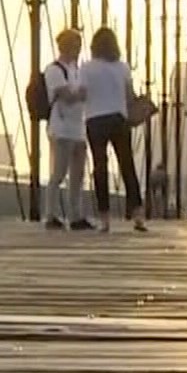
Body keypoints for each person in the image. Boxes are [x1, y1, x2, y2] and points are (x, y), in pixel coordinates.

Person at [81, 26, 146, 233]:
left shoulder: (87, 68)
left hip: (95, 119)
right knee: (127, 165)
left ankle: (104, 218)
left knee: (100, 167)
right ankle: (138, 215)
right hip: (119, 119)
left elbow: (83, 93)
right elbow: (129, 96)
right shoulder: (123, 68)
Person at [42, 28, 92, 230]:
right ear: (66, 47)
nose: (78, 50)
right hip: (61, 128)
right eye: (75, 46)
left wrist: (79, 93)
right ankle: (51, 214)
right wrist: (81, 93)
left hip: (78, 129)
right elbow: (67, 96)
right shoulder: (54, 70)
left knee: (78, 175)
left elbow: (79, 94)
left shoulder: (76, 71)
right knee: (59, 173)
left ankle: (75, 215)